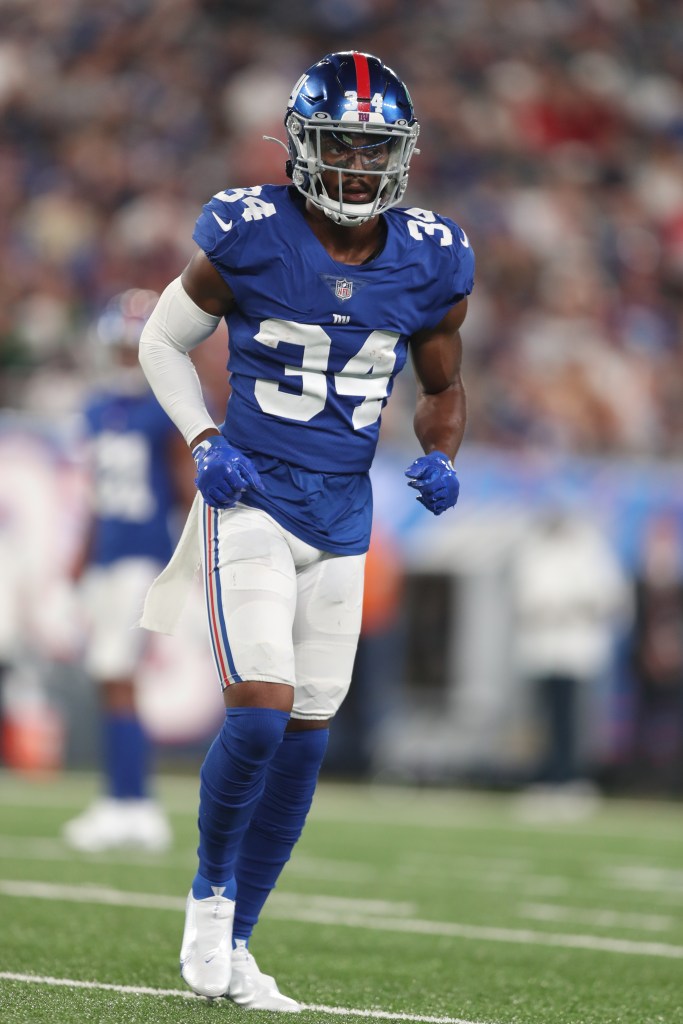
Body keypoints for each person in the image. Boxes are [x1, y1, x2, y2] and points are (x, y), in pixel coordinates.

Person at [138, 51, 474, 1008]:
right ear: (298, 145)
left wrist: (441, 453)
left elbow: (444, 387)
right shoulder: (247, 233)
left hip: (342, 513)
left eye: (375, 151)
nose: (359, 170)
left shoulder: (433, 259)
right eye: (341, 146)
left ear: (401, 155)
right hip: (248, 497)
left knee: (308, 739)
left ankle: (240, 943)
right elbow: (161, 340)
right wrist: (203, 437)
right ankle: (207, 900)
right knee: (258, 708)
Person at [62, 289, 195, 852]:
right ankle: (124, 800)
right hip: (107, 557)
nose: (124, 357)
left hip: (143, 555)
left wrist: (195, 556)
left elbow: (186, 488)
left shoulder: (164, 408)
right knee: (108, 678)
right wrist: (81, 557)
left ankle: (133, 803)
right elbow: (96, 496)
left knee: (119, 675)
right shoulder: (97, 410)